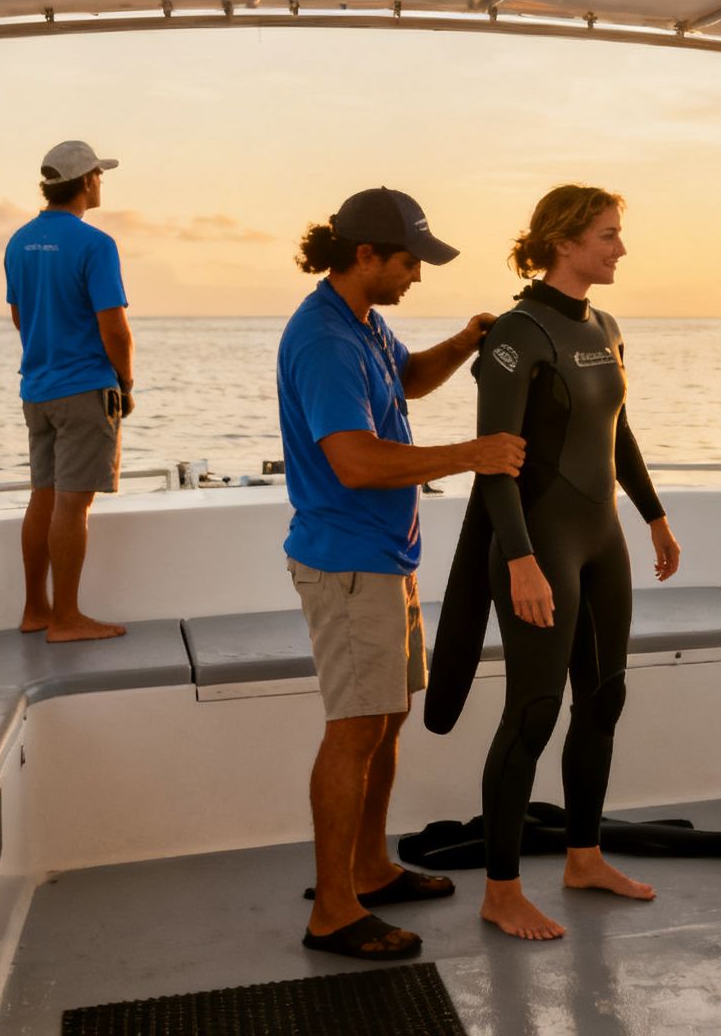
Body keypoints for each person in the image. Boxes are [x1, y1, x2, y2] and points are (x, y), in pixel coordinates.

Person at [278, 187, 525, 961]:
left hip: (385, 558)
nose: (417, 273)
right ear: (365, 256)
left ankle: (372, 868)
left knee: (385, 720)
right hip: (348, 563)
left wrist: (463, 342)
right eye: (409, 260)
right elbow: (351, 460)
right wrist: (469, 455)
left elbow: (406, 382)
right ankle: (334, 913)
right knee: (355, 730)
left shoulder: (364, 324)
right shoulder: (322, 339)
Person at [460, 185, 681, 941]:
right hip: (538, 543)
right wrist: (519, 560)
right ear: (564, 242)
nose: (621, 248)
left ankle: (583, 857)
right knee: (534, 712)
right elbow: (495, 466)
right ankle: (500, 889)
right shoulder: (517, 336)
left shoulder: (608, 326)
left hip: (604, 538)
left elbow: (616, 431)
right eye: (609, 235)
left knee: (605, 698)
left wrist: (653, 515)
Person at [5, 140, 132, 643]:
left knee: (43, 496)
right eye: (100, 175)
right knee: (72, 505)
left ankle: (36, 608)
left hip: (37, 388)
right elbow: (115, 329)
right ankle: (67, 617)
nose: (102, 182)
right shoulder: (95, 244)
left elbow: (20, 316)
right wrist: (125, 381)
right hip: (84, 389)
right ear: (85, 182)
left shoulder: (19, 241)